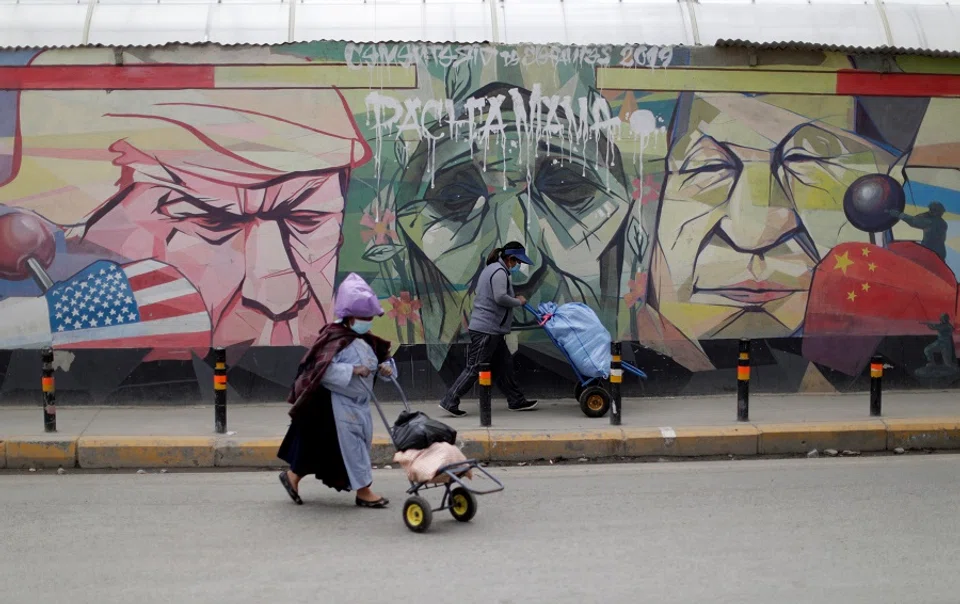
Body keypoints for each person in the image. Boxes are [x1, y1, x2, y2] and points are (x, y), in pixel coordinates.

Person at [277, 273, 396, 508]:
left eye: (370, 317)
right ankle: (364, 491)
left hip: (357, 404)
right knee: (351, 447)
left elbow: (383, 360)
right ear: (350, 318)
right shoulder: (333, 338)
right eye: (363, 317)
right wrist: (353, 370)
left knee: (323, 447)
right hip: (336, 405)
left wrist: (386, 369)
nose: (368, 321)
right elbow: (319, 372)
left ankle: (292, 477)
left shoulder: (367, 340)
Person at [439, 241, 539, 417]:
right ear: (510, 259)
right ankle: (450, 400)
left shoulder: (492, 269)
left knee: (505, 364)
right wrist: (518, 302)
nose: (518, 265)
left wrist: (511, 297)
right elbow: (499, 297)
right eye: (517, 262)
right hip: (487, 329)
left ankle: (516, 400)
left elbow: (493, 295)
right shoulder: (499, 272)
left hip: (493, 330)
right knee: (474, 367)